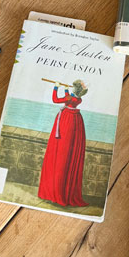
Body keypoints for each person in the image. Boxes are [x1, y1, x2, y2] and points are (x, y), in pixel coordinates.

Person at [38, 79, 88, 207]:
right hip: (75, 120)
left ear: (74, 89)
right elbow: (69, 98)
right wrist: (65, 88)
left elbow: (56, 100)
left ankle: (53, 192)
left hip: (66, 120)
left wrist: (55, 87)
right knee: (67, 151)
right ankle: (61, 193)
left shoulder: (69, 98)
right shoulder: (78, 99)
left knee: (60, 151)